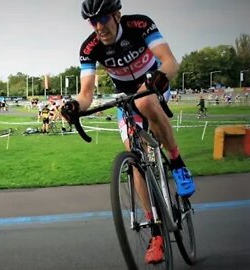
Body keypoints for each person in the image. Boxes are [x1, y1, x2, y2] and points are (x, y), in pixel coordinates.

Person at [62, 0, 196, 264]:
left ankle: (177, 162)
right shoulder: (89, 48)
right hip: (126, 97)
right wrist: (75, 105)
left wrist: (160, 76)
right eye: (92, 21)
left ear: (116, 15)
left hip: (155, 85)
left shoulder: (139, 25)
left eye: (102, 19)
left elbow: (170, 60)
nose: (98, 26)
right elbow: (87, 92)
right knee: (135, 158)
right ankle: (155, 230)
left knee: (144, 101)